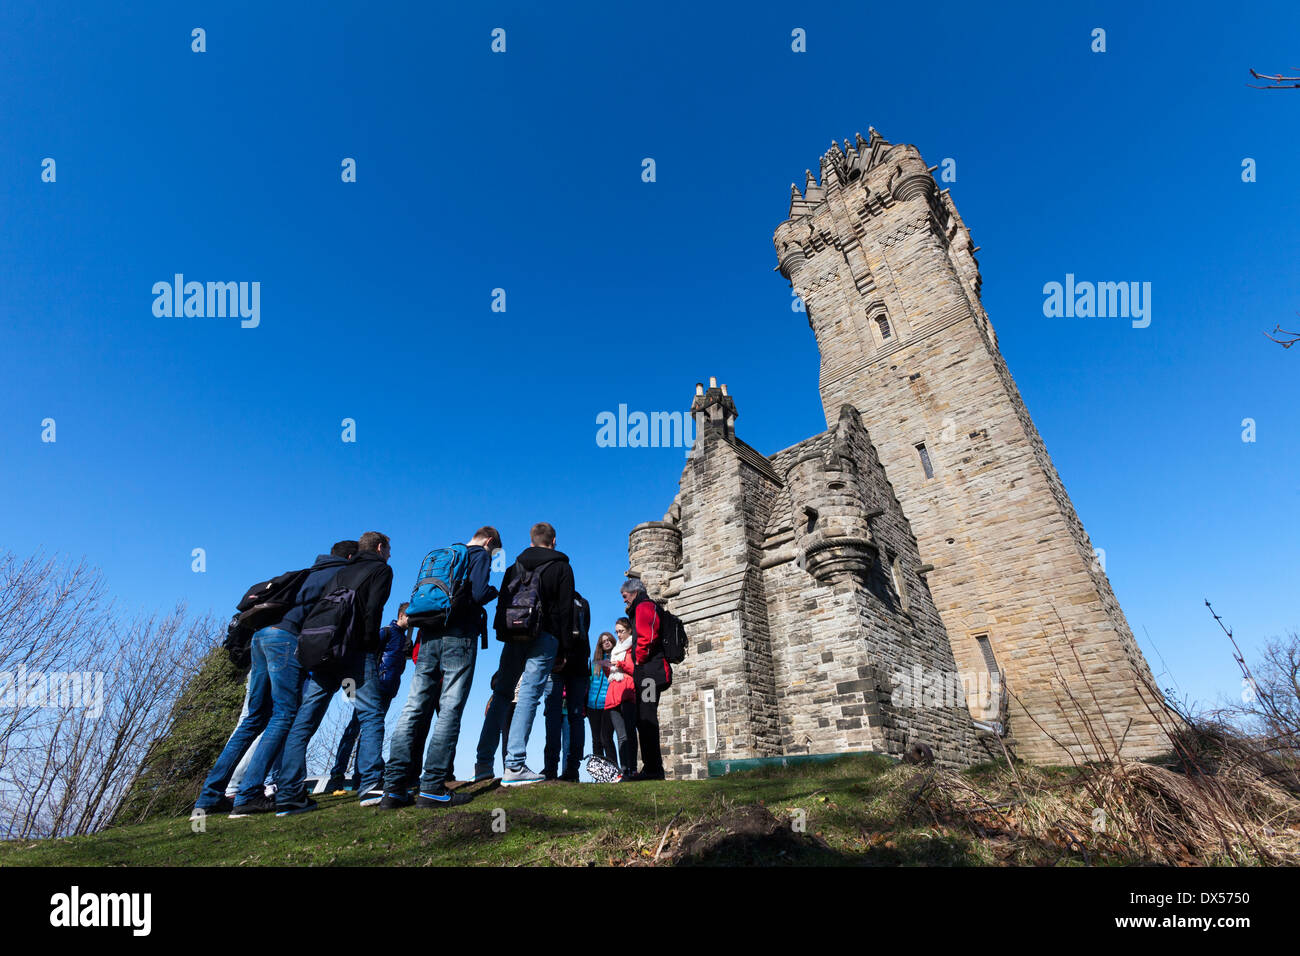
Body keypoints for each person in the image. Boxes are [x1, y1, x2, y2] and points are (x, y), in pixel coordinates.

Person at [194, 540, 356, 817]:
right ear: (351, 557)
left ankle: (209, 797)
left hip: (261, 637)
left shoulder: (307, 571)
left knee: (253, 719)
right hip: (286, 640)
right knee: (284, 715)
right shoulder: (339, 576)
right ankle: (248, 795)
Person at [381, 527, 501, 808]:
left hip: (429, 635)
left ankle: (394, 787)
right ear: (490, 541)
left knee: (413, 708)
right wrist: (495, 591)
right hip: (458, 637)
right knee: (450, 709)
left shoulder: (445, 555)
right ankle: (433, 786)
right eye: (495, 551)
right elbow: (479, 592)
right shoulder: (479, 555)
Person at [277, 531, 394, 815]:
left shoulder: (341, 572)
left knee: (305, 719)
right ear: (380, 548)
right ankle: (370, 785)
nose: (390, 554)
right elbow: (373, 609)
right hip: (353, 651)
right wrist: (370, 645)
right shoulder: (381, 569)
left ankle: (288, 793)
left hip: (322, 651)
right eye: (389, 549)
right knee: (371, 713)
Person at [491, 522, 575, 787]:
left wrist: (502, 632)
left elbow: (503, 601)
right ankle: (514, 765)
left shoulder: (514, 565)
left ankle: (483, 763)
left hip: (514, 633)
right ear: (554, 541)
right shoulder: (562, 566)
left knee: (503, 694)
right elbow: (565, 611)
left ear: (530, 541)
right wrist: (564, 650)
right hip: (545, 635)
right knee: (528, 695)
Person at [326, 603, 412, 792]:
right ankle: (337, 774)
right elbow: (368, 656)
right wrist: (360, 685)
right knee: (354, 728)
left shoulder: (404, 639)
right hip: (373, 688)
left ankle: (361, 776)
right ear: (401, 615)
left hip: (388, 690)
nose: (412, 621)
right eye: (410, 617)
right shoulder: (386, 632)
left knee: (371, 732)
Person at [622, 578, 671, 781]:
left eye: (625, 597)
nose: (624, 601)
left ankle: (653, 769)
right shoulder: (643, 606)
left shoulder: (644, 606)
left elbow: (646, 638)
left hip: (650, 674)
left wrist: (639, 661)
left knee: (647, 717)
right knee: (644, 718)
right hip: (648, 673)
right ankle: (652, 767)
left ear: (634, 592)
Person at [543, 592, 590, 781]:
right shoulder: (583, 602)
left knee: (553, 715)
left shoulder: (552, 600)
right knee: (576, 717)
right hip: (579, 664)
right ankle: (573, 768)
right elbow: (585, 630)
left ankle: (550, 768)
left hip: (556, 663)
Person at [604, 617, 639, 775]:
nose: (618, 635)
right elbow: (611, 674)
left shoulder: (633, 647)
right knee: (621, 735)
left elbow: (634, 669)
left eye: (621, 631)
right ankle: (624, 770)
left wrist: (621, 664)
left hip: (627, 692)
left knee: (630, 731)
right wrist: (609, 668)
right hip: (614, 693)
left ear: (629, 630)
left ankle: (633, 767)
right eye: (617, 631)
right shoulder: (615, 650)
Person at [586, 632, 615, 763]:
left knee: (606, 738)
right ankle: (600, 772)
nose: (607, 642)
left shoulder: (616, 659)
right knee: (596, 740)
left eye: (609, 640)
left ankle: (614, 769)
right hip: (592, 706)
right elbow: (589, 683)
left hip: (608, 705)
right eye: (604, 641)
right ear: (600, 645)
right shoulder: (594, 664)